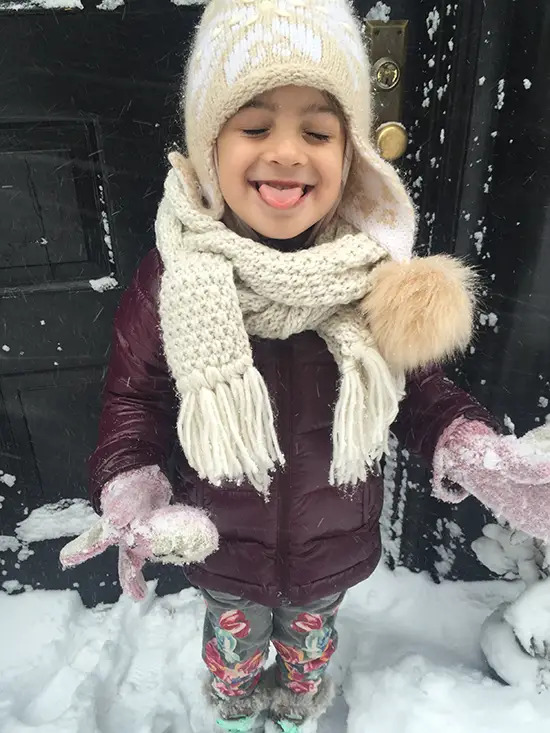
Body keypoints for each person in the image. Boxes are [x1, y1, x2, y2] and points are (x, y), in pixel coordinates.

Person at [59, 1, 550, 731]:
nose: (287, 152)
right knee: (233, 643)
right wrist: (133, 481)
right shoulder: (173, 277)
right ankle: (233, 710)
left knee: (309, 642)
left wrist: (472, 449)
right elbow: (136, 400)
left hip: (330, 545)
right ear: (209, 143)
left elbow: (419, 394)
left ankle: (295, 711)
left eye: (318, 130)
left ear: (350, 153)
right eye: (255, 126)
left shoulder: (375, 278)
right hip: (223, 544)